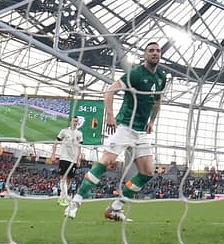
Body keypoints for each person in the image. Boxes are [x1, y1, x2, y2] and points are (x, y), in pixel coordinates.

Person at [64, 41, 168, 221]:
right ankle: (75, 202)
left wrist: (152, 121)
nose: (155, 53)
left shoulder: (161, 76)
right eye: (151, 50)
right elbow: (110, 91)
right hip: (126, 126)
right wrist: (110, 116)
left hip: (141, 132)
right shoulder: (135, 73)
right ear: (144, 55)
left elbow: (157, 102)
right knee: (106, 161)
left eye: (158, 51)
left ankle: (114, 208)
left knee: (147, 173)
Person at [51, 117, 84, 205]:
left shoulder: (79, 134)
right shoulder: (64, 131)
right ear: (70, 121)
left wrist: (78, 159)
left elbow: (80, 148)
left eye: (77, 121)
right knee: (63, 177)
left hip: (73, 159)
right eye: (74, 120)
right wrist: (53, 154)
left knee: (70, 179)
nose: (75, 122)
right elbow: (56, 142)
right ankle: (64, 197)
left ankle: (62, 196)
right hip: (64, 157)